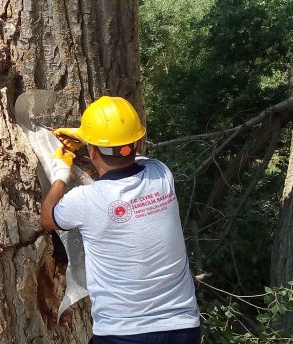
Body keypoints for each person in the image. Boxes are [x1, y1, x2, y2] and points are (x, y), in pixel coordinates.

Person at [40, 96, 201, 343]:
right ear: (136, 142)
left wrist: (61, 172)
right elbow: (132, 157)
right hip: (184, 327)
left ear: (91, 151)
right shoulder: (161, 174)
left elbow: (47, 218)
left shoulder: (85, 200)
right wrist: (91, 138)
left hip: (125, 332)